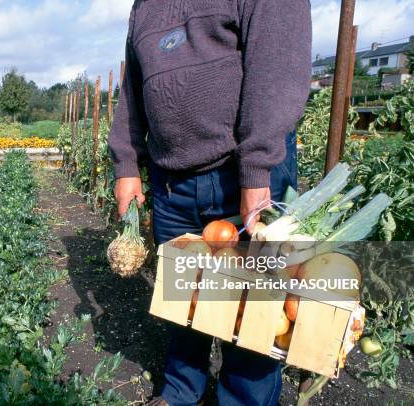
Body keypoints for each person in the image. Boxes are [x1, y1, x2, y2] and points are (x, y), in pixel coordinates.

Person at [108, 0, 312, 405]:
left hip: (242, 173)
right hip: (173, 182)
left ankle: (243, 399)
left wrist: (256, 171)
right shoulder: (144, 6)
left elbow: (276, 69)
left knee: (255, 313)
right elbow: (134, 88)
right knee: (183, 303)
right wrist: (126, 162)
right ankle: (183, 392)